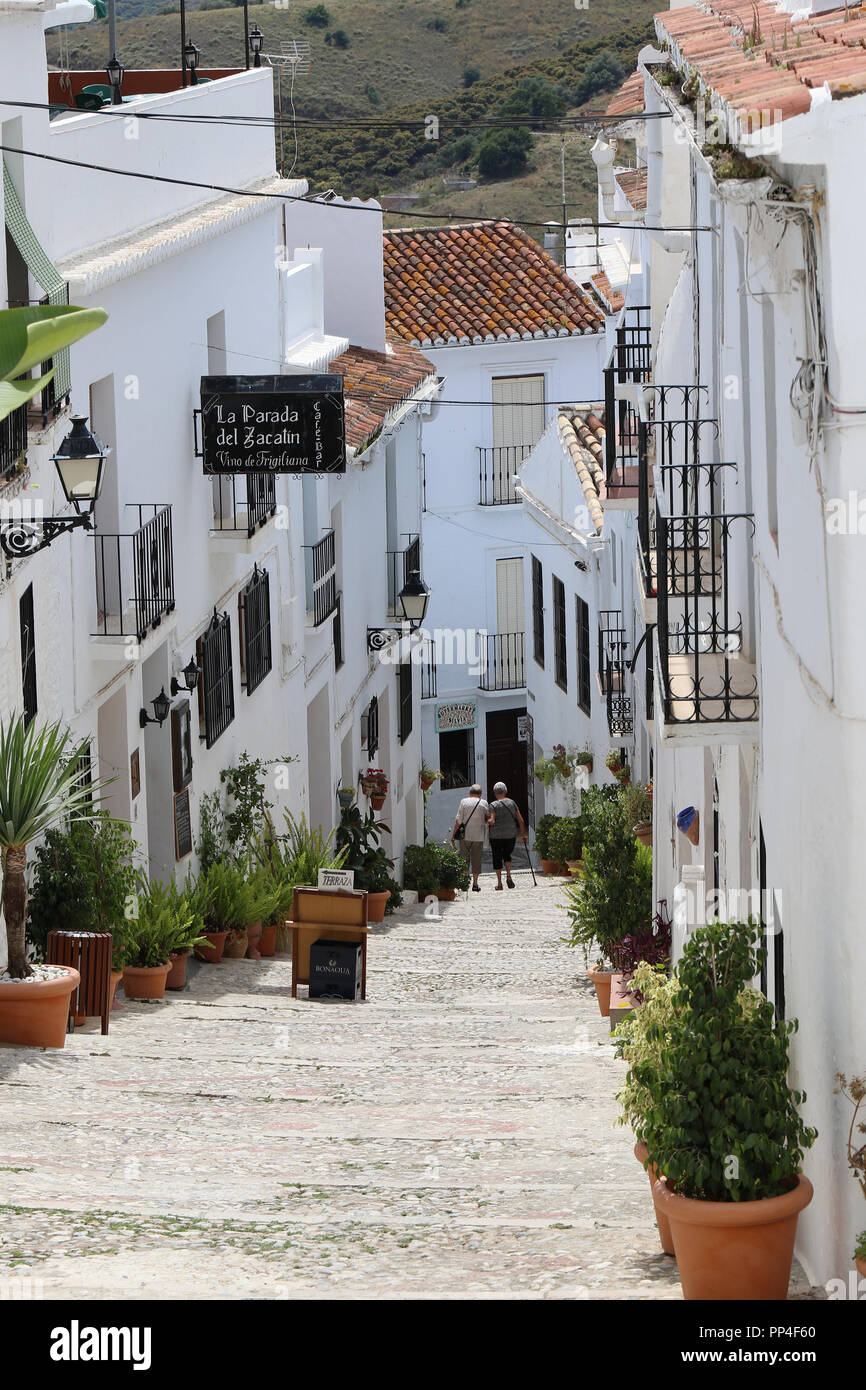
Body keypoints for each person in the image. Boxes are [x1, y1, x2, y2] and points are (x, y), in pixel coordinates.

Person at [487, 781, 527, 891]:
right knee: (507, 855)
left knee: (497, 857)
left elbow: (492, 821)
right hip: (510, 835)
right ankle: (509, 875)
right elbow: (521, 820)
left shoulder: (493, 805)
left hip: (496, 836)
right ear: (505, 791)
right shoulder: (512, 803)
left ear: (495, 793)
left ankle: (499, 883)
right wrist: (523, 834)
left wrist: (486, 820)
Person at [450, 783, 489, 893]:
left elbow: (458, 821)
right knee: (477, 860)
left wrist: (453, 835)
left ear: (469, 793)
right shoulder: (484, 803)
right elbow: (487, 819)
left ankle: (464, 883)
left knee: (464, 859)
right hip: (479, 836)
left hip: (465, 835)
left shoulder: (464, 802)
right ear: (480, 794)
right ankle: (475, 884)